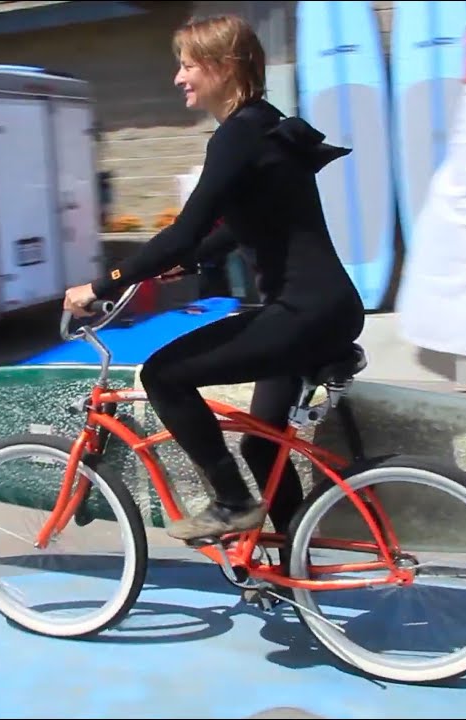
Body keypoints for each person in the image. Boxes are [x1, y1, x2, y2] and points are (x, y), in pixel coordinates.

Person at [63, 14, 365, 541]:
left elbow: (183, 231)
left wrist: (102, 285)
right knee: (261, 445)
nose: (179, 77)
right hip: (324, 308)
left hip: (302, 314)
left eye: (188, 65)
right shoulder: (265, 124)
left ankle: (231, 501)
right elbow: (252, 219)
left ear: (223, 67)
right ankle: (294, 560)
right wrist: (191, 261)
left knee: (163, 375)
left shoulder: (237, 135)